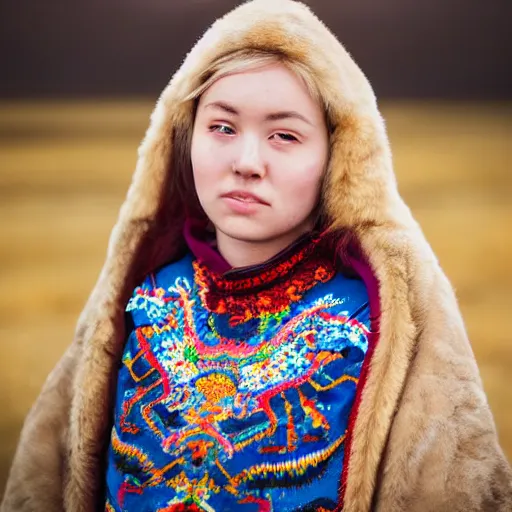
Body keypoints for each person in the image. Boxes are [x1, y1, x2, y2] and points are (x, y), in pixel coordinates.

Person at [2, 1, 511, 511]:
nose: (247, 162)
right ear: (185, 138)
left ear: (339, 158)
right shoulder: (143, 297)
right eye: (223, 127)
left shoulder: (379, 324)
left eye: (284, 136)